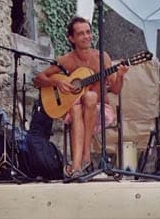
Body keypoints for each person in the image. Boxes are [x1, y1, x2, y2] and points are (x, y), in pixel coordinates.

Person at [34, 16, 128, 179]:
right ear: (71, 38)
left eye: (88, 32)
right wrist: (56, 81)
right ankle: (81, 162)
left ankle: (80, 161)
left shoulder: (102, 57)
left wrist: (119, 76)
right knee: (78, 106)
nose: (87, 36)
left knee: (90, 97)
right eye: (81, 34)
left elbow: (115, 90)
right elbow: (38, 79)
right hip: (75, 110)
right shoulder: (66, 60)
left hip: (100, 110)